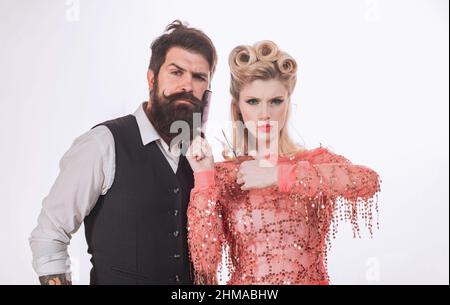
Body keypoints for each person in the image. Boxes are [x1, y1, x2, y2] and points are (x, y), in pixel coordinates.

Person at [29, 20, 217, 285]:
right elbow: (49, 234)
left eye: (199, 77)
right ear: (152, 79)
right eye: (176, 72)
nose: (187, 85)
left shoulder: (200, 160)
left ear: (207, 92)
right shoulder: (103, 143)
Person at [185, 40, 381, 285]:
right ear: (238, 107)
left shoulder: (314, 161)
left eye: (275, 101)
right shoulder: (226, 176)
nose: (264, 112)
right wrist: (204, 178)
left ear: (288, 103)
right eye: (253, 101)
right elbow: (204, 263)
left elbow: (367, 181)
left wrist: (279, 175)